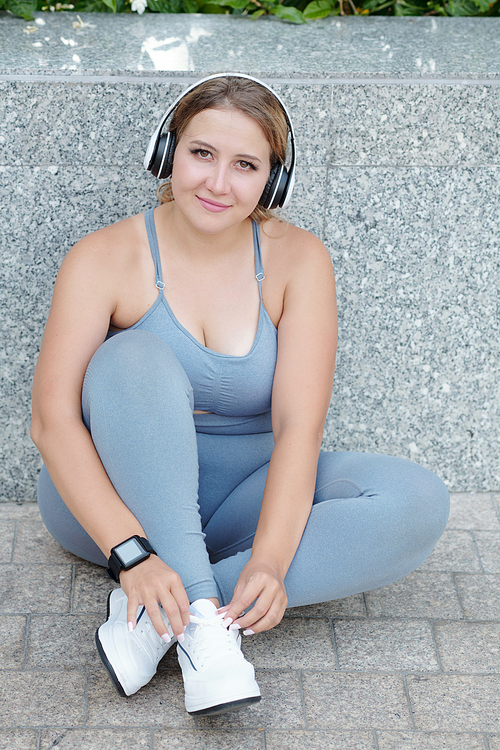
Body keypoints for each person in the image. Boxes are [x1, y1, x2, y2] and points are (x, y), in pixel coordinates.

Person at [31, 74, 449, 717]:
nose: (218, 183)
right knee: (133, 357)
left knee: (415, 501)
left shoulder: (298, 259)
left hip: (238, 497)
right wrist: (133, 553)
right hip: (113, 505)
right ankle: (190, 609)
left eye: (246, 164)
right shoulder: (103, 256)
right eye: (201, 154)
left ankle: (165, 615)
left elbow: (297, 429)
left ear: (273, 181)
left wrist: (275, 561)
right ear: (167, 152)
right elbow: (53, 423)